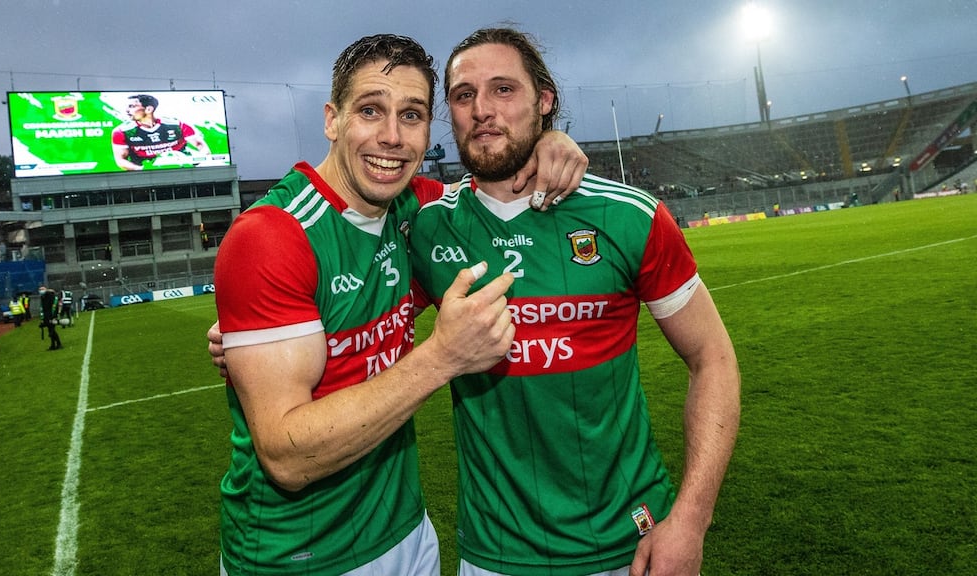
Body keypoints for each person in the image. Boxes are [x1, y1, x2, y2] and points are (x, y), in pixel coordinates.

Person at [212, 34, 586, 576]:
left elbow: (499, 181)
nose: (392, 137)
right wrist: (443, 357)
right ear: (333, 120)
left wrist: (549, 139)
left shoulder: (416, 209)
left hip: (407, 533)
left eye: (411, 115)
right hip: (299, 557)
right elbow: (286, 457)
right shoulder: (271, 236)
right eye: (370, 110)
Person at [406, 28, 740, 576]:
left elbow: (714, 358)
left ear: (544, 100)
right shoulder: (427, 227)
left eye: (503, 89)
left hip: (631, 544)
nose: (482, 109)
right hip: (495, 556)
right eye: (464, 95)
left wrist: (691, 520)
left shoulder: (630, 217)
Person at [111, 93, 211, 171]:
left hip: (183, 169)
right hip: (147, 175)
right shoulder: (121, 131)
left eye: (132, 106)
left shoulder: (177, 125)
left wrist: (196, 165)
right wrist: (143, 170)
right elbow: (121, 160)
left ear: (149, 109)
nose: (127, 110)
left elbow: (203, 147)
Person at [39, 285, 62, 351]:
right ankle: (53, 345)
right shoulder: (42, 297)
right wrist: (43, 319)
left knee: (52, 331)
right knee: (50, 331)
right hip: (47, 316)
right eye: (40, 289)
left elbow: (54, 307)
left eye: (42, 289)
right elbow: (43, 308)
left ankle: (58, 344)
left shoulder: (51, 296)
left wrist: (54, 317)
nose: (40, 291)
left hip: (52, 316)